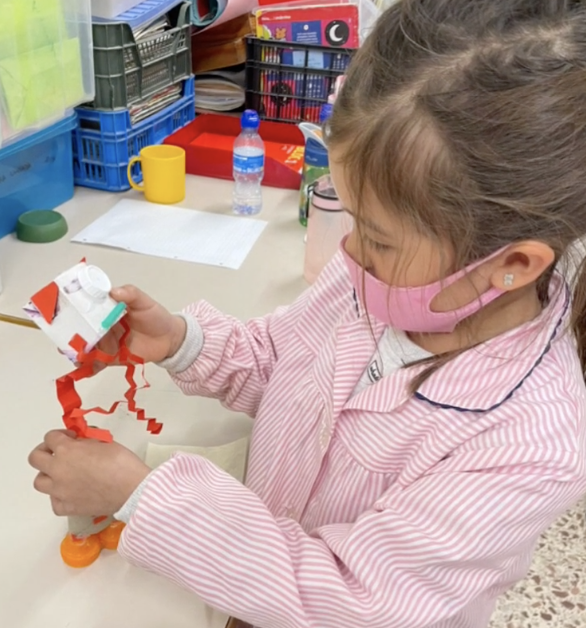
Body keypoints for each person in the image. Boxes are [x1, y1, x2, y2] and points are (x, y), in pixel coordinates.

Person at [29, 1, 586, 626]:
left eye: (378, 238)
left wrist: (143, 497)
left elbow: (357, 603)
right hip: (250, 578)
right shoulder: (378, 279)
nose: (350, 252)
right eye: (351, 217)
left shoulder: (528, 446)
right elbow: (281, 358)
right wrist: (183, 342)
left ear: (513, 264)